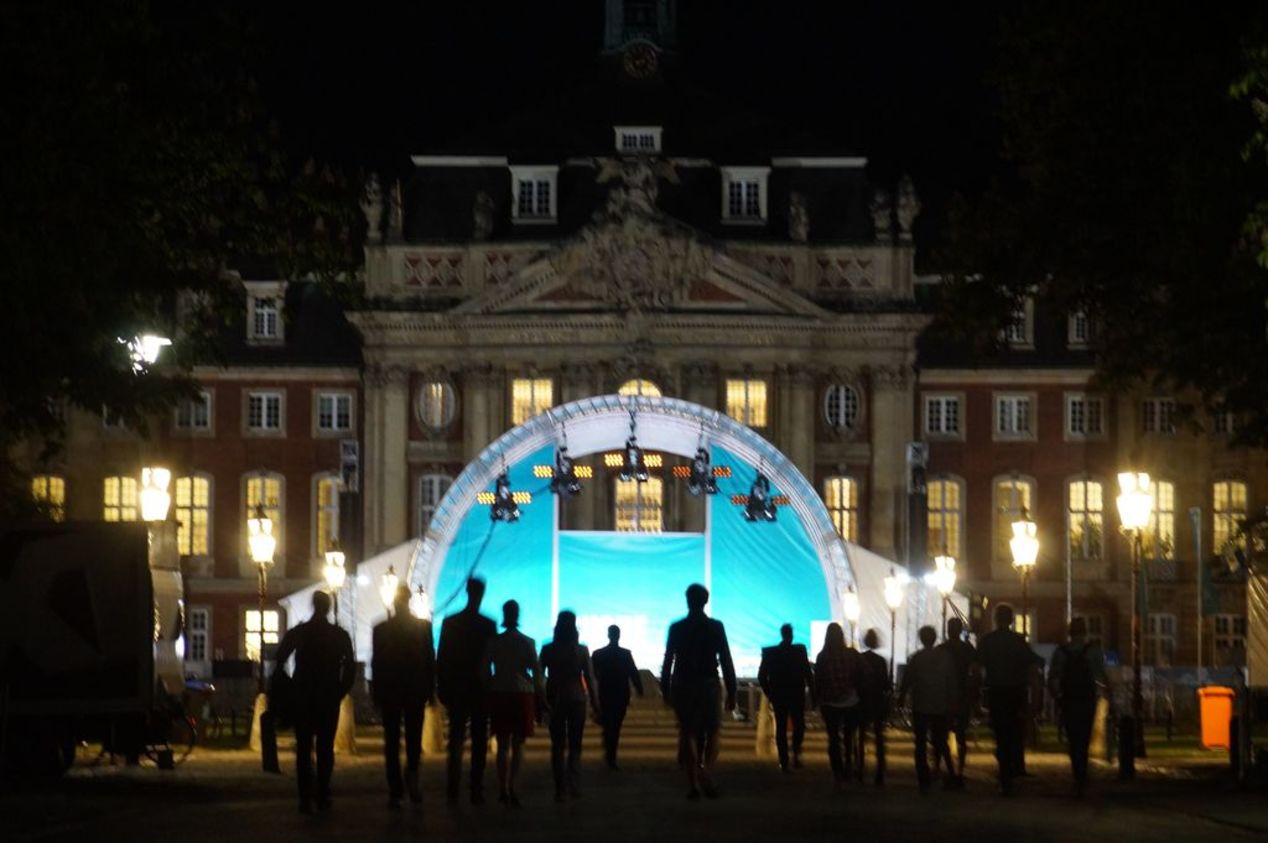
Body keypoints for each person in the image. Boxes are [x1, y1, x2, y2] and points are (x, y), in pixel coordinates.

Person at [273, 590, 355, 814]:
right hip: (328, 696)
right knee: (325, 747)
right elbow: (350, 667)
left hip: (303, 695)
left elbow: (279, 659)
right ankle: (322, 793)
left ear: (313, 606)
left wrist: (289, 685)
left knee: (303, 747)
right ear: (328, 608)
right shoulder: (339, 635)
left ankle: (304, 796)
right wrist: (340, 689)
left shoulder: (300, 632)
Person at [661, 583, 737, 800]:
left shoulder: (676, 628)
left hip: (684, 683)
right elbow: (725, 660)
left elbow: (668, 660)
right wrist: (731, 691)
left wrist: (665, 688)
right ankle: (707, 772)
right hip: (708, 683)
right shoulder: (716, 627)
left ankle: (693, 783)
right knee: (713, 731)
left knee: (688, 733)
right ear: (706, 601)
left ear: (687, 600)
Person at [371, 585, 435, 808]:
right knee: (414, 740)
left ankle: (395, 790)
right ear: (409, 601)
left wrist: (376, 693)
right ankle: (413, 779)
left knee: (391, 742)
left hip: (390, 691)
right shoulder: (423, 627)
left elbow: (376, 663)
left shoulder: (380, 629)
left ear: (394, 602)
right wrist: (431, 691)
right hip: (415, 690)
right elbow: (430, 661)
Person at [437, 577, 498, 805]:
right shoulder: (488, 625)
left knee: (456, 740)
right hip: (480, 689)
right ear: (481, 594)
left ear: (467, 591)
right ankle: (476, 788)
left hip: (456, 688)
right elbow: (492, 661)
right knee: (479, 741)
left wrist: (442, 688)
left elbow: (442, 658)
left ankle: (452, 788)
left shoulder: (451, 622)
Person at [975, 603, 1040, 796]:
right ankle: (1010, 770)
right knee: (1013, 731)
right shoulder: (1019, 641)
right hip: (1016, 692)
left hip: (996, 692)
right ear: (1011, 620)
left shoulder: (988, 641)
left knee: (1000, 732)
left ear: (996, 619)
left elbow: (978, 666)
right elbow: (1032, 663)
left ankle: (1004, 771)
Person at [483, 600, 542, 807]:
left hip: (500, 692)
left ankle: (502, 788)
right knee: (518, 745)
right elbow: (536, 672)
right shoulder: (528, 642)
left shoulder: (494, 642)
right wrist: (541, 698)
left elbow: (484, 670)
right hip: (521, 694)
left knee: (502, 744)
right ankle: (513, 785)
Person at [539, 610, 600, 801]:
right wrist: (596, 704)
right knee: (575, 744)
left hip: (554, 699)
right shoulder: (581, 650)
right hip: (577, 700)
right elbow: (589, 678)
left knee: (557, 745)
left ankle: (560, 788)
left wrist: (540, 700)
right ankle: (574, 784)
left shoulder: (548, 649)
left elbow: (539, 677)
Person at [1048, 617, 1106, 797]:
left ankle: (1077, 773)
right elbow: (1100, 676)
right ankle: (1082, 774)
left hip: (1069, 699)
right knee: (1085, 736)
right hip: (1087, 699)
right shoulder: (1093, 651)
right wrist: (1104, 694)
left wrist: (1057, 696)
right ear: (1085, 632)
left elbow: (1053, 678)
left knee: (1073, 737)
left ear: (1069, 632)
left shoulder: (1061, 652)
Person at [899, 625, 958, 793]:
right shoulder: (946, 657)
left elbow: (908, 680)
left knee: (920, 743)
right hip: (940, 705)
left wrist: (902, 698)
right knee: (941, 741)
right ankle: (950, 772)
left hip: (921, 705)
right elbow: (951, 682)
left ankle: (923, 778)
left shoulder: (916, 658)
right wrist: (952, 703)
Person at [758, 623, 815, 772]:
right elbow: (808, 674)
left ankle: (784, 760)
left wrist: (769, 692)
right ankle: (795, 754)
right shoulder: (800, 651)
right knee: (799, 726)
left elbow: (761, 676)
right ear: (791, 635)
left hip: (779, 695)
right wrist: (814, 694)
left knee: (781, 728)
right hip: (796, 695)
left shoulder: (771, 653)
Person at [813, 623, 862, 786]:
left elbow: (818, 680)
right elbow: (863, 673)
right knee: (849, 737)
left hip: (830, 703)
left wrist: (816, 699)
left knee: (833, 738)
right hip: (851, 701)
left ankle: (837, 770)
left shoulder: (822, 656)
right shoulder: (852, 654)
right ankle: (849, 764)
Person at [591, 624, 644, 770]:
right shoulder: (625, 654)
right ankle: (611, 755)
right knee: (616, 725)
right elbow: (633, 673)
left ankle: (608, 748)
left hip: (604, 692)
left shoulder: (598, 654)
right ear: (618, 635)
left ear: (608, 635)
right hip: (621, 694)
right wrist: (640, 689)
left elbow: (593, 675)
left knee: (608, 722)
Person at [937, 616, 978, 784]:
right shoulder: (967, 649)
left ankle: (948, 768)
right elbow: (975, 672)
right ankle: (959, 769)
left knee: (943, 734)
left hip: (946, 696)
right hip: (962, 695)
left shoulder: (942, 649)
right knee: (961, 735)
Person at [856, 628, 891, 785]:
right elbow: (885, 684)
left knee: (862, 735)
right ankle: (880, 770)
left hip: (862, 701)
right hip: (877, 701)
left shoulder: (859, 659)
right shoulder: (881, 661)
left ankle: (860, 768)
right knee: (878, 736)